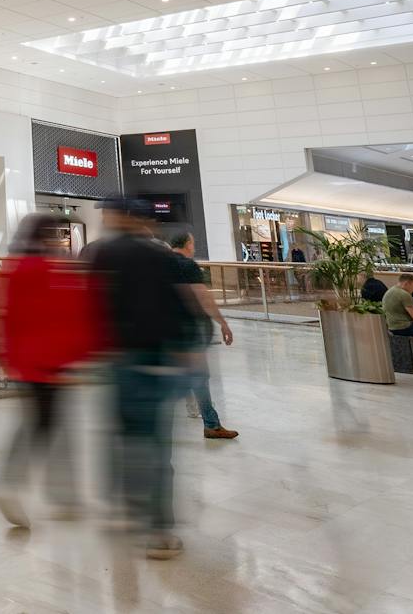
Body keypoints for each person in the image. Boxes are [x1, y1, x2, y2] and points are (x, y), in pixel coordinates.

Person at [88, 198, 195, 560]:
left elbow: (90, 306)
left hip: (118, 360)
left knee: (120, 439)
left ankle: (122, 510)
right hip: (153, 360)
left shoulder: (99, 254)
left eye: (108, 213)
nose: (105, 218)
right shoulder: (159, 256)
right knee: (154, 447)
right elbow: (180, 309)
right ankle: (158, 529)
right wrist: (187, 351)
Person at [0, 214, 101, 527]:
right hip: (52, 364)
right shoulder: (54, 269)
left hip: (26, 363)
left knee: (47, 427)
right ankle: (15, 486)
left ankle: (63, 495)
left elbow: (4, 317)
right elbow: (71, 315)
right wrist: (83, 356)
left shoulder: (14, 269)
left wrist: (6, 357)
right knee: (42, 428)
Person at [166, 233, 238, 439]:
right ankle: (211, 424)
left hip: (166, 327)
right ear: (188, 244)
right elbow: (204, 299)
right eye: (193, 243)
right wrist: (223, 323)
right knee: (199, 376)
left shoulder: (158, 264)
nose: (194, 247)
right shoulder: (188, 266)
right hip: (188, 328)